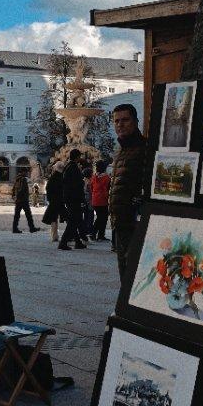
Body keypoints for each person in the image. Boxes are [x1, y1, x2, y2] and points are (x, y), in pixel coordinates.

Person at [109, 103, 147, 281]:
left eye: (125, 120)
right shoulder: (121, 151)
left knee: (135, 273)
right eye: (116, 121)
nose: (120, 124)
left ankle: (129, 309)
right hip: (120, 223)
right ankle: (123, 308)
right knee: (124, 271)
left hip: (135, 223)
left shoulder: (144, 149)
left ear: (135, 121)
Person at [59, 148, 87, 250]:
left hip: (70, 198)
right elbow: (76, 185)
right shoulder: (73, 168)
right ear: (77, 157)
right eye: (79, 156)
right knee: (73, 221)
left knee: (77, 220)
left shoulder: (68, 166)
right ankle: (63, 242)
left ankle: (78, 242)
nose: (80, 158)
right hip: (74, 198)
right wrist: (81, 199)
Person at [43, 162, 64, 242]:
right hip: (60, 200)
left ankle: (54, 235)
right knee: (66, 217)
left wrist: (50, 199)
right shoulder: (62, 176)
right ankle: (70, 235)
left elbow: (48, 188)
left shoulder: (53, 177)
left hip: (54, 201)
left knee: (54, 218)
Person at [90, 161, 111, 242]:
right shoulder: (106, 178)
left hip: (95, 200)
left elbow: (91, 188)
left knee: (100, 217)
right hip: (103, 200)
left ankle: (98, 235)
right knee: (102, 218)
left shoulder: (93, 177)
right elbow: (108, 189)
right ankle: (96, 234)